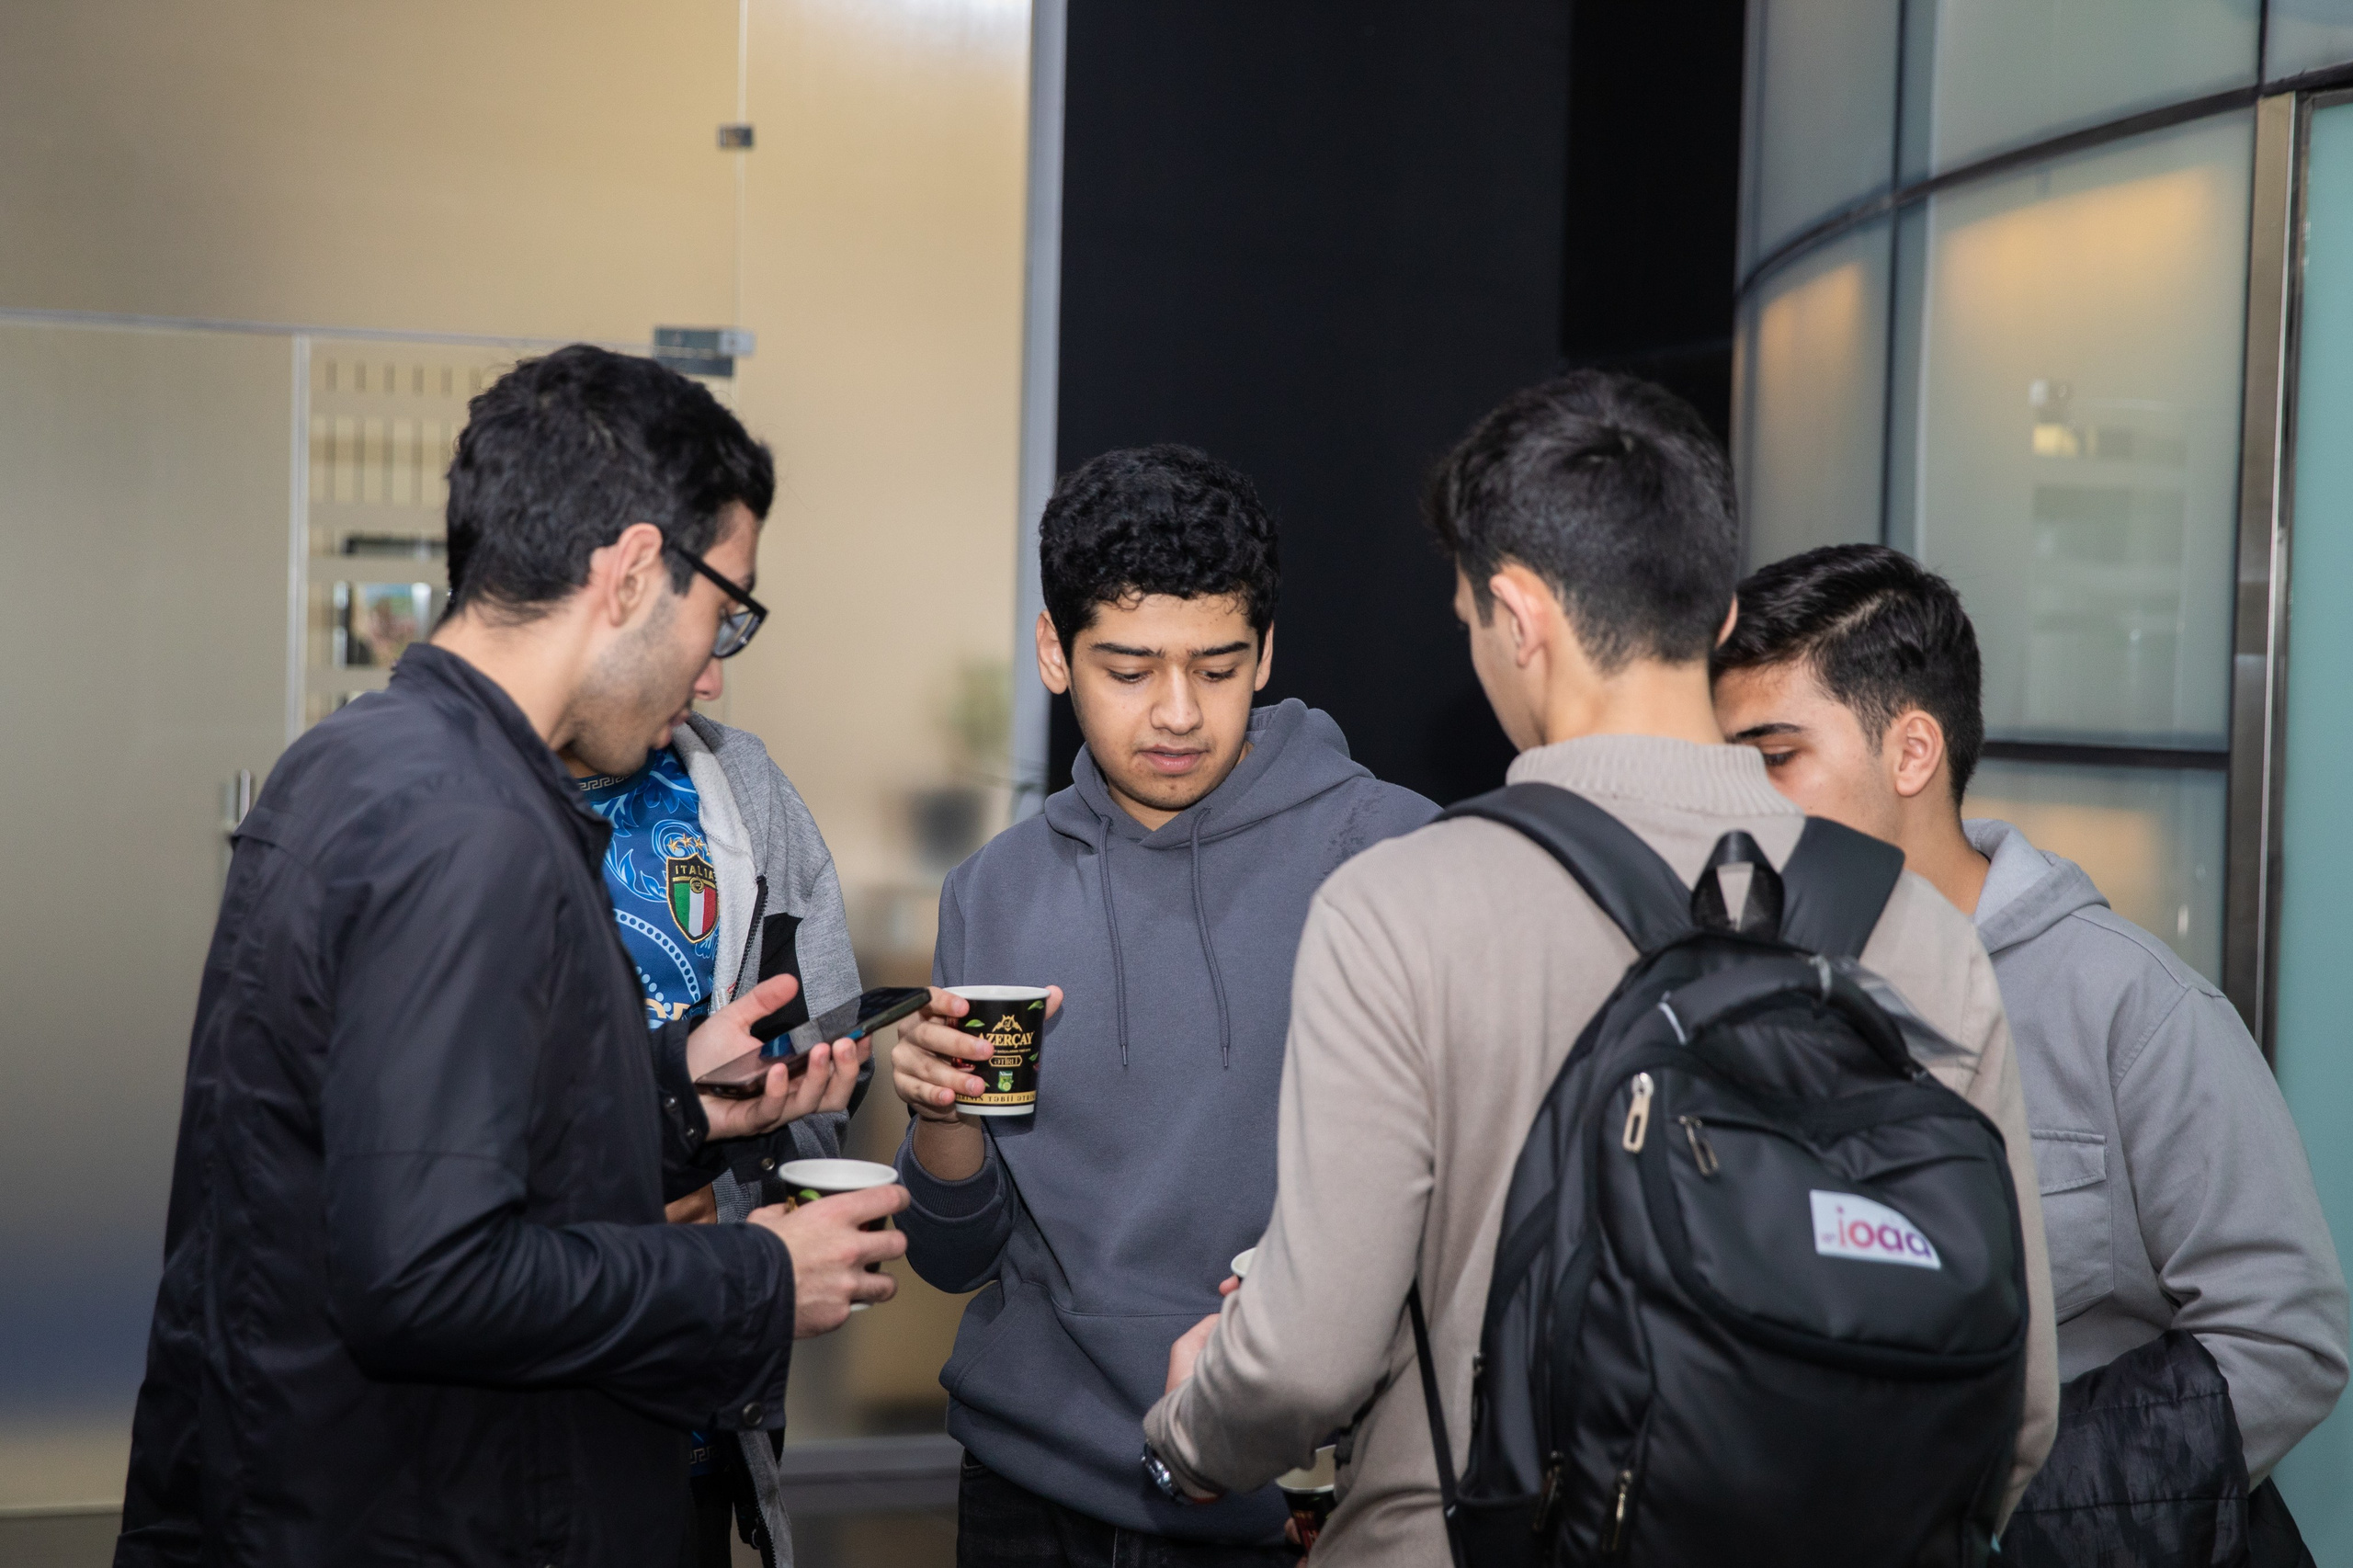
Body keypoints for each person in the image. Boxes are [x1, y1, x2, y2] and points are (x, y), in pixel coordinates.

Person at [1140, 373, 2058, 1562]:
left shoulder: (1400, 907)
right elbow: (2017, 1403)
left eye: (1469, 617)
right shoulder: (1918, 925)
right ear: (1720, 619)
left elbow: (1302, 1362)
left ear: (1518, 614)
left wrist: (1187, 1434)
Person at [115, 345, 906, 1568]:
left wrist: (674, 1102)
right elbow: (428, 1276)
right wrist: (755, 1276)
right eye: (724, 610)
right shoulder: (471, 827)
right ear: (631, 571)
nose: (713, 669)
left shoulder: (361, 760)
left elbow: (402, 1145)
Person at [1710, 544, 2348, 1529]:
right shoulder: (1737, 997)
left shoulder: (2129, 1005)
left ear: (1912, 753)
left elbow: (2286, 1334)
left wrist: (2009, 1516)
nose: (1738, 802)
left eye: (1775, 757)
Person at [885, 444, 1438, 1565]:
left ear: (1264, 653)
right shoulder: (995, 891)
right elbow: (954, 1255)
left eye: (1217, 668)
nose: (1177, 713)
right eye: (1130, 670)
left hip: (1278, 1484)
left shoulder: (1389, 853)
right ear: (1055, 652)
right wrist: (940, 1115)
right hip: (1025, 1479)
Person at [568, 649, 867, 1563]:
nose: (711, 682)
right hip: (514, 1393)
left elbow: (818, 1034)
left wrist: (755, 1178)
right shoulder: (460, 809)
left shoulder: (742, 787)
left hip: (697, 1374)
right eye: (698, 637)